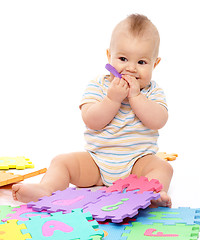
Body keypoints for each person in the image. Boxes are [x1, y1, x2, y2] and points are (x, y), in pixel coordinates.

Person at [12, 14, 173, 207]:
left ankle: (149, 194)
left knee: (163, 167)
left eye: (141, 62)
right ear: (109, 56)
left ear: (155, 64)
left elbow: (158, 120)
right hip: (96, 162)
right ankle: (47, 188)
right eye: (123, 58)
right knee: (61, 161)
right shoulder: (98, 86)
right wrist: (112, 99)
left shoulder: (153, 91)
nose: (131, 68)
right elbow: (91, 120)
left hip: (137, 164)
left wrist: (136, 97)